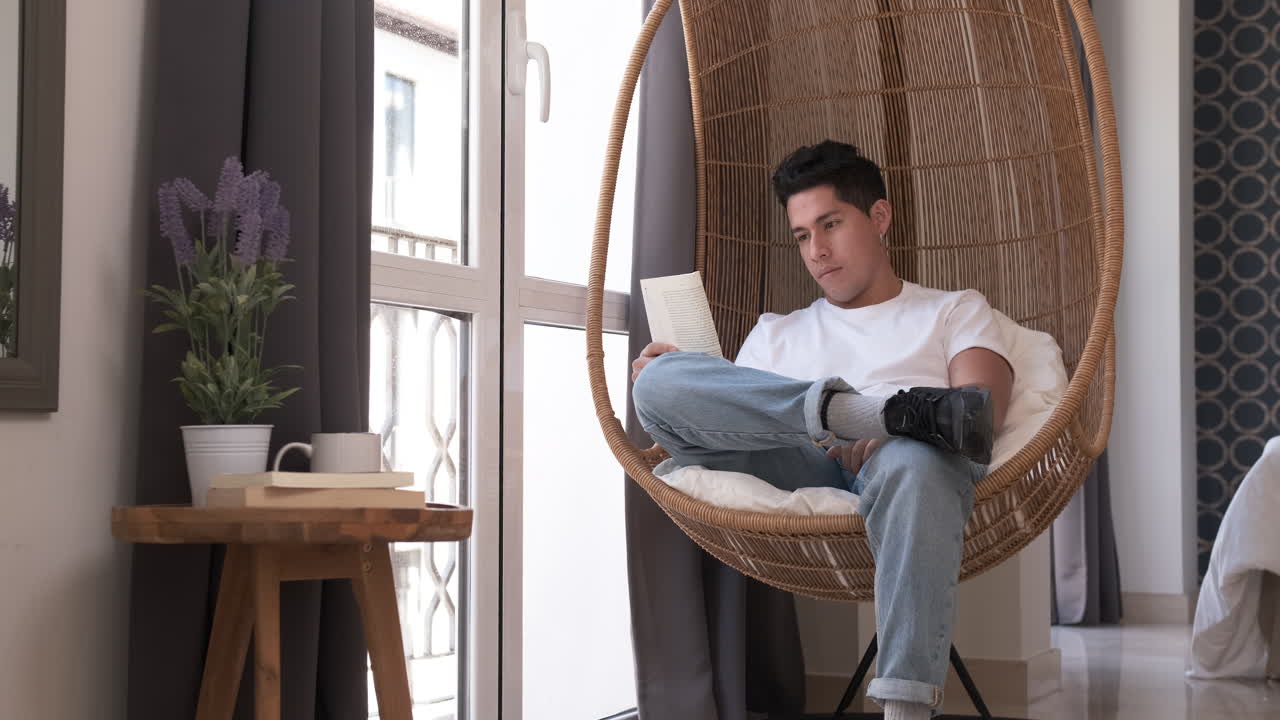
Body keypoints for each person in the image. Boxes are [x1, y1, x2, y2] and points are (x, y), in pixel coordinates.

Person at [630, 140, 1015, 720]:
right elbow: (732, 420)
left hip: (901, 463)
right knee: (656, 382)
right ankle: (854, 412)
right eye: (803, 235)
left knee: (917, 459)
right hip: (793, 455)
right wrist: (682, 375)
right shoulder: (776, 331)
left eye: (830, 224)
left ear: (879, 217)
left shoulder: (951, 309)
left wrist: (897, 435)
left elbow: (979, 413)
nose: (817, 251)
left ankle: (905, 710)